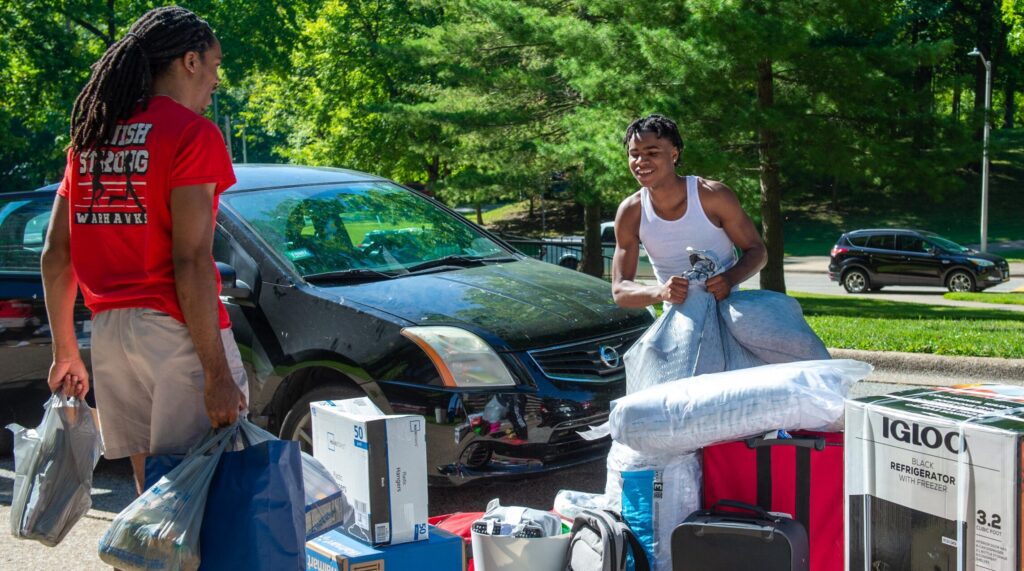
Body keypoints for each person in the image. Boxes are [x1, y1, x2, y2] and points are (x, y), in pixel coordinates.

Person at [40, 6, 246, 494]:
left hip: (109, 335)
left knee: (152, 499)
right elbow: (191, 259)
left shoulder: (91, 136)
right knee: (214, 496)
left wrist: (65, 350)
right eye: (215, 65)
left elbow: (55, 254)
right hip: (178, 335)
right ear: (190, 62)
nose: (217, 79)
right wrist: (217, 374)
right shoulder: (193, 134)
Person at [611, 114, 767, 307]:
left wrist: (729, 278)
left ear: (674, 154)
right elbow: (620, 290)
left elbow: (757, 251)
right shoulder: (630, 211)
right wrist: (660, 292)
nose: (641, 161)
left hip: (729, 310)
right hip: (678, 322)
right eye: (634, 154)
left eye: (652, 153)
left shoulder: (712, 195)